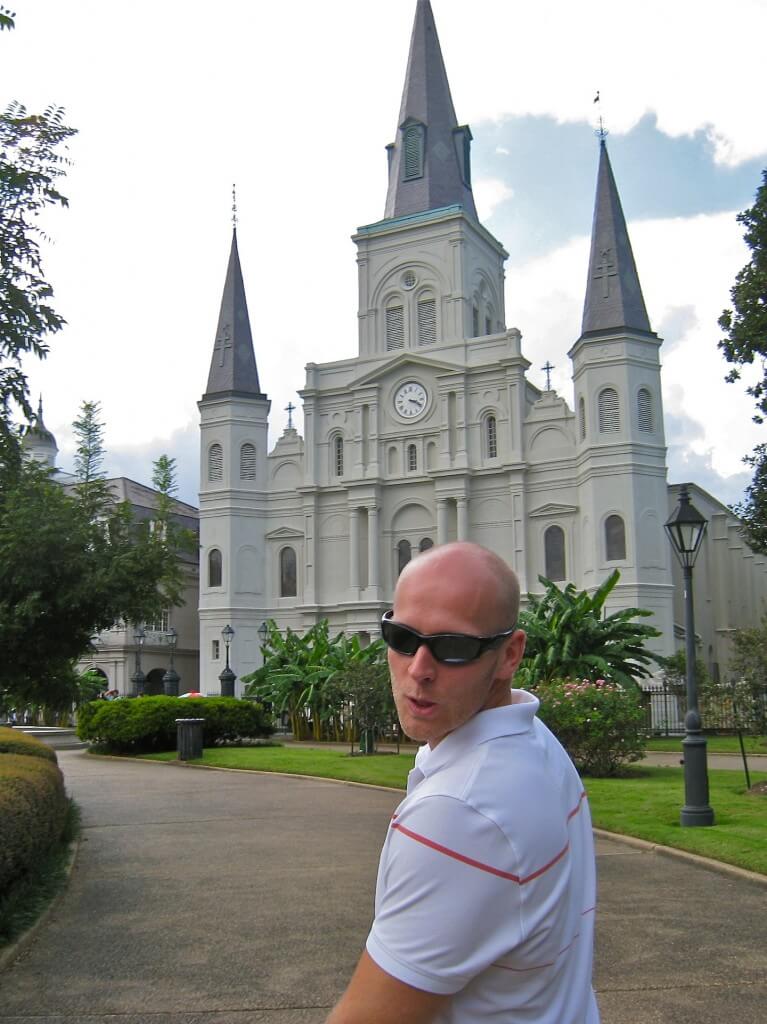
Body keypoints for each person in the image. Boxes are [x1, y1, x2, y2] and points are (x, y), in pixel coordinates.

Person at [327, 542, 599, 1024]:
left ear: (509, 654)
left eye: (454, 648)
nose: (419, 669)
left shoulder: (461, 813)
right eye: (403, 638)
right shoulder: (535, 740)